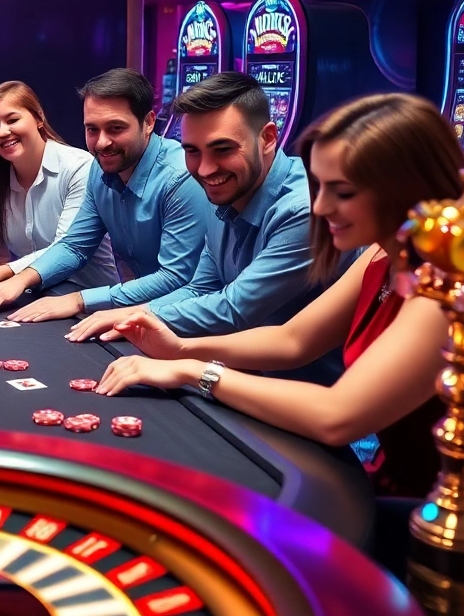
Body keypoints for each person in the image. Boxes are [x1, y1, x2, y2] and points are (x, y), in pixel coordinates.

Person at [92, 93, 464, 503]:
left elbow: (336, 417)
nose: (319, 208)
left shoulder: (452, 287)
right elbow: (293, 340)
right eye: (319, 186)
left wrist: (193, 371)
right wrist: (179, 347)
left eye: (342, 192)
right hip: (409, 482)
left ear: (405, 188)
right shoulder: (383, 252)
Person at [63, 72, 342, 383]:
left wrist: (136, 316)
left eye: (222, 149)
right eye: (192, 151)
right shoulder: (223, 191)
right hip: (258, 379)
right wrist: (133, 313)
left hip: (333, 401)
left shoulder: (305, 209)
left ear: (267, 138)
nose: (205, 169)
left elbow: (235, 308)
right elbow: (200, 288)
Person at [0, 69, 206, 319]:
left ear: (149, 122)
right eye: (92, 129)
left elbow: (176, 278)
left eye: (116, 128)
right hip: (141, 309)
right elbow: (75, 245)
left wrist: (80, 300)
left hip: (194, 317)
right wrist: (20, 280)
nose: (101, 143)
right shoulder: (100, 169)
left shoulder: (181, 177)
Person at [0, 81, 119, 305]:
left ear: (38, 119)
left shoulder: (79, 167)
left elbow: (66, 247)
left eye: (12, 120)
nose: (3, 131)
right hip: (30, 295)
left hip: (88, 299)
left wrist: (2, 272)